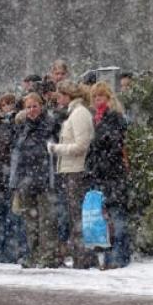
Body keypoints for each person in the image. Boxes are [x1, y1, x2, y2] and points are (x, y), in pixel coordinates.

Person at [47, 80, 95, 269]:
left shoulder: (79, 113)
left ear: (68, 96)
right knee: (74, 215)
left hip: (76, 170)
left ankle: (82, 257)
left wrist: (56, 148)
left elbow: (82, 145)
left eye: (60, 96)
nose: (58, 100)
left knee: (78, 216)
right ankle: (79, 256)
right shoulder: (75, 113)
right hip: (70, 169)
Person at [9, 93, 59, 268]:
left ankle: (48, 256)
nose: (31, 110)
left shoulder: (50, 123)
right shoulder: (22, 126)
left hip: (44, 178)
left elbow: (49, 149)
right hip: (26, 179)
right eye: (28, 107)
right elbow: (16, 152)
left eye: (34, 106)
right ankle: (34, 254)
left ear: (41, 106)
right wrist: (15, 181)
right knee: (30, 222)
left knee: (47, 221)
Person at [85, 82, 131, 269]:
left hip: (113, 174)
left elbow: (115, 146)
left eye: (101, 96)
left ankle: (119, 256)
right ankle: (113, 255)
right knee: (107, 217)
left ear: (108, 98)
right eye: (95, 97)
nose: (98, 100)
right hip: (102, 174)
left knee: (116, 215)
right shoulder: (97, 118)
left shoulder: (115, 117)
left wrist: (101, 163)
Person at [0, 94, 27, 263]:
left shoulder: (16, 122)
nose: (7, 107)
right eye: (4, 104)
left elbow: (11, 145)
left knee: (14, 214)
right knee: (3, 214)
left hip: (11, 172)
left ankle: (14, 250)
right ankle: (6, 250)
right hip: (1, 173)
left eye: (10, 104)